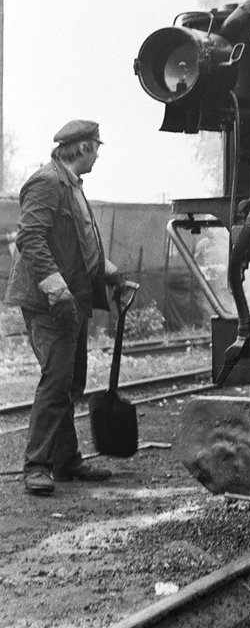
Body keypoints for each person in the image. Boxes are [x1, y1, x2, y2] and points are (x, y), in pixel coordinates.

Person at [4, 120, 127, 495]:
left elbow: (76, 243)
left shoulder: (70, 186)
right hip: (50, 301)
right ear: (83, 148)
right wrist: (57, 291)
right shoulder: (47, 182)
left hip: (73, 297)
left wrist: (110, 272)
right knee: (55, 382)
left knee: (71, 381)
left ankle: (66, 461)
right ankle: (36, 466)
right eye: (97, 148)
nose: (99, 155)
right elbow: (31, 238)